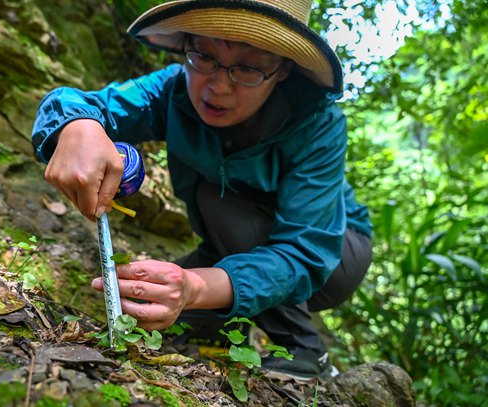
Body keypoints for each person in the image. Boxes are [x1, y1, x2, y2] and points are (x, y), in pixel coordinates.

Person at [31, 0, 372, 381]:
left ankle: (304, 349)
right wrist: (77, 127)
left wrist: (193, 286)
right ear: (185, 46)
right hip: (224, 241)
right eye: (204, 56)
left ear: (281, 69)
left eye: (247, 67)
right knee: (152, 313)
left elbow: (305, 251)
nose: (218, 85)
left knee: (217, 203)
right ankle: (225, 338)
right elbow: (75, 103)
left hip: (333, 254)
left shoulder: (316, 124)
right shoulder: (172, 93)